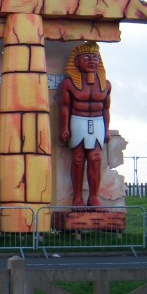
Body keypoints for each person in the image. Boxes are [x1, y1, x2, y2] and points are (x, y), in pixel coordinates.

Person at [58, 41, 112, 207]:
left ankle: (94, 197)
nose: (92, 61)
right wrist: (65, 126)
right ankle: (77, 198)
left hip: (97, 122)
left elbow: (106, 109)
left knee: (96, 158)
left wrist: (107, 129)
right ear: (76, 61)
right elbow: (65, 106)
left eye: (95, 57)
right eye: (87, 57)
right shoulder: (69, 83)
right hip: (78, 119)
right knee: (79, 158)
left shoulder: (106, 85)